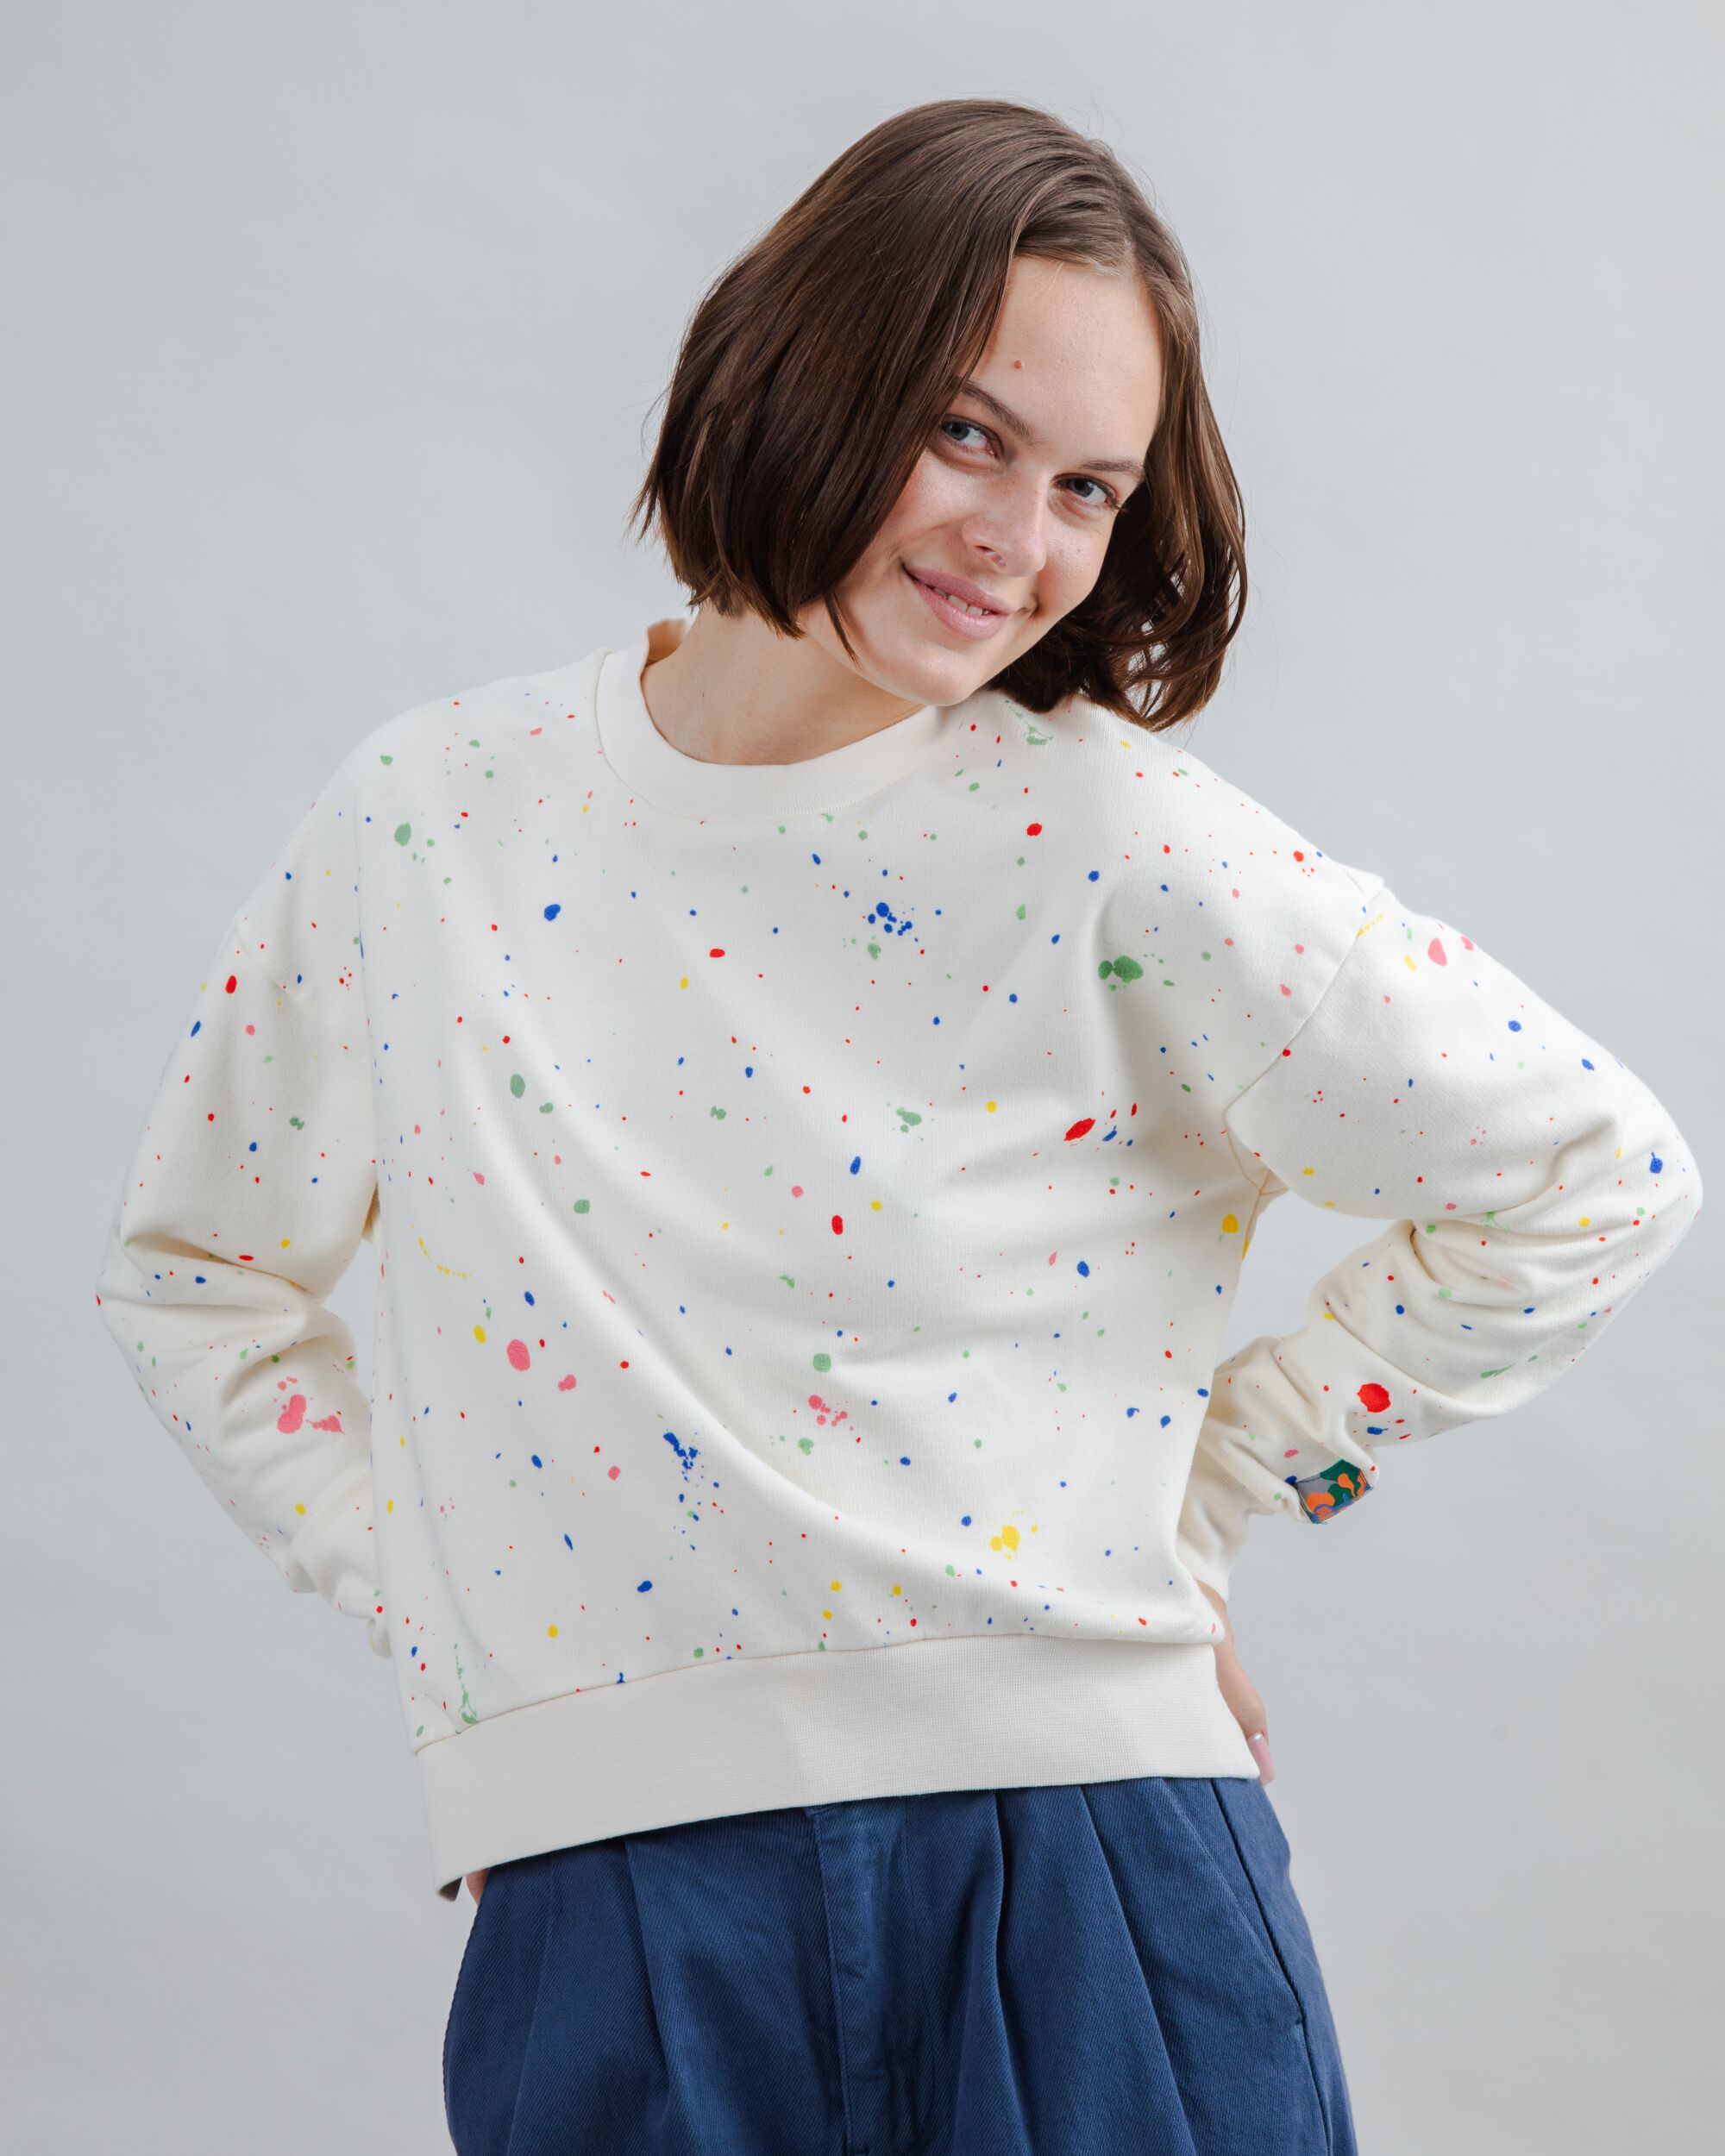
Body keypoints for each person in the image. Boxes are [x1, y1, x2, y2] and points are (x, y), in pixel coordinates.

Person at [93, 98, 1701, 2155]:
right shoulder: (430, 820)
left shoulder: (1117, 837)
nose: (1017, 537)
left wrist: (1221, 1488)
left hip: (1089, 1866)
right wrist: (458, 1589)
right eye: (964, 432)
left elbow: (1592, 1171)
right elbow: (195, 1271)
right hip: (617, 1893)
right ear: (797, 372)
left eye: (1087, 483)